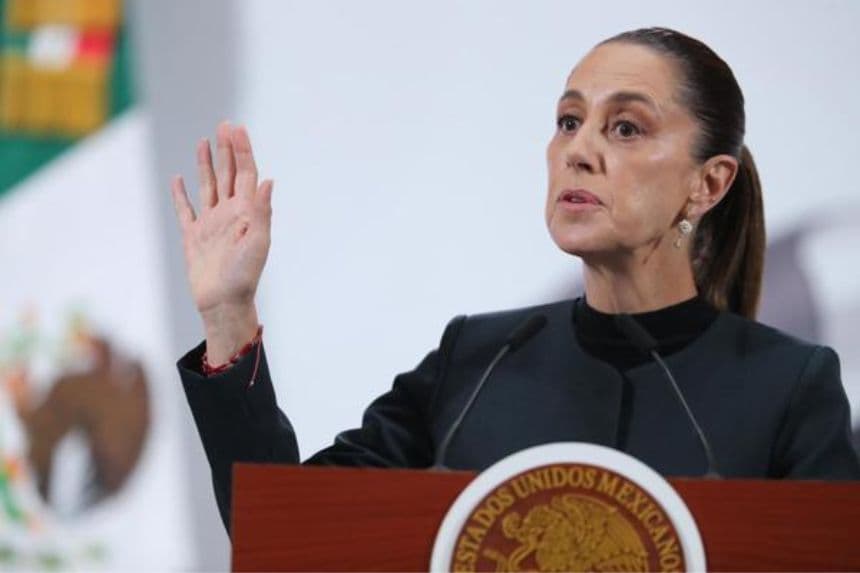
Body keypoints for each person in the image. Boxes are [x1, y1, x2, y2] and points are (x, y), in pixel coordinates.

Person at [170, 27, 860, 533]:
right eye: (568, 121)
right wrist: (229, 312)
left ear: (709, 183)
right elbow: (288, 529)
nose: (579, 150)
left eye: (625, 127)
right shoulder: (475, 364)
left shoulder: (789, 387)